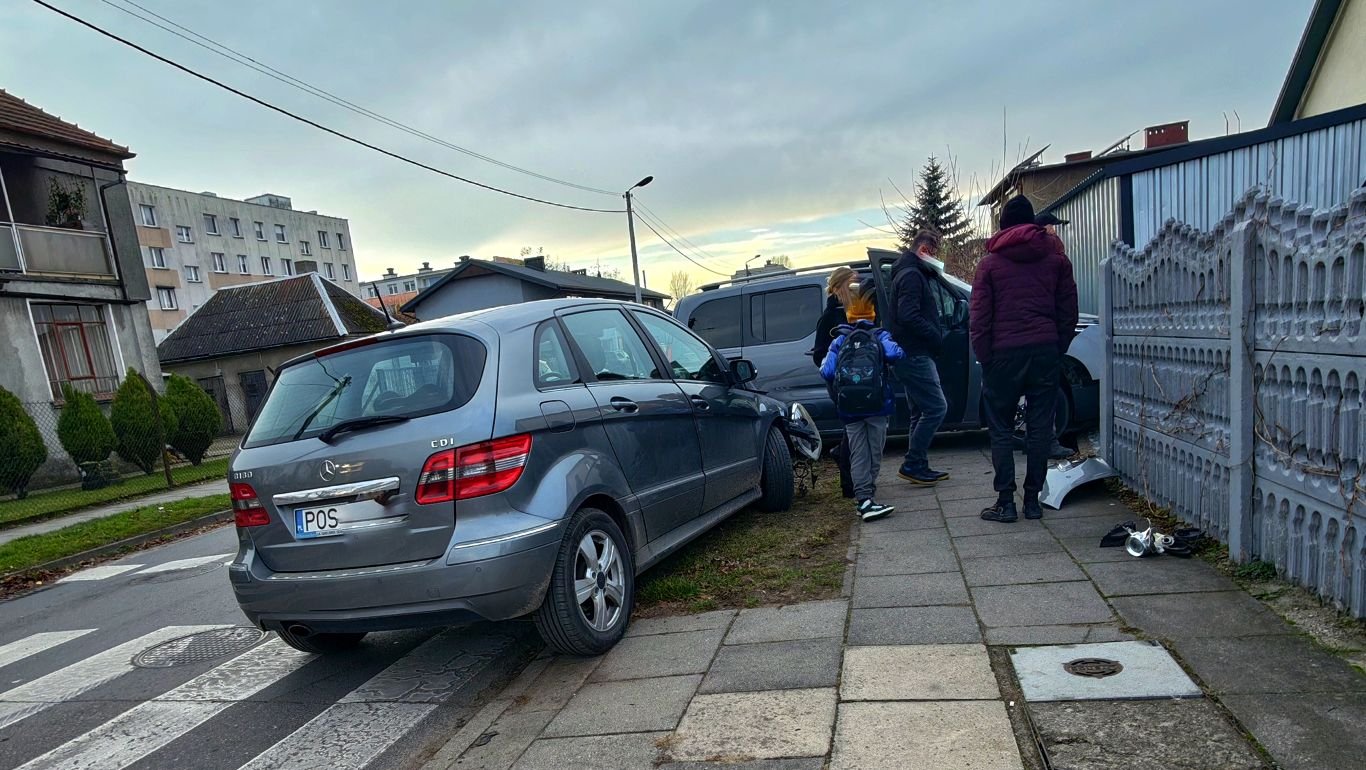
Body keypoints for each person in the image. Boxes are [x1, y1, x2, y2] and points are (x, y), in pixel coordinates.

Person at [972, 195, 1078, 522]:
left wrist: (985, 356)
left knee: (1001, 427)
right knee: (1040, 427)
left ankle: (1005, 502)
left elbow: (979, 318)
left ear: (1003, 225)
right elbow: (1068, 312)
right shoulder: (1057, 260)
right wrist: (1056, 346)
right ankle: (1032, 501)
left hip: (1003, 354)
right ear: (1033, 223)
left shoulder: (989, 265)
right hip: (1044, 349)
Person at [821, 282, 902, 521]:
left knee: (857, 452)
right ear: (873, 313)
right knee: (874, 450)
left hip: (849, 407)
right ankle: (868, 497)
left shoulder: (839, 341)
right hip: (877, 404)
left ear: (849, 314)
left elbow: (826, 371)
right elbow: (896, 354)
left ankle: (863, 498)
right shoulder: (880, 335)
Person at [887, 230, 950, 485]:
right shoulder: (912, 275)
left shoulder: (905, 272)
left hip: (908, 353)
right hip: (914, 353)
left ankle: (918, 465)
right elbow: (908, 315)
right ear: (924, 250)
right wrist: (934, 335)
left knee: (919, 412)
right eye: (934, 253)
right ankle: (913, 462)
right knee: (936, 408)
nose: (936, 259)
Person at [1035, 213, 1078, 462]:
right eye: (1053, 227)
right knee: (1045, 395)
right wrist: (1063, 339)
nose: (1056, 231)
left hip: (1012, 343)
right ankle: (1047, 442)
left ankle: (1034, 441)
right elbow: (1067, 303)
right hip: (1046, 338)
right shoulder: (1056, 257)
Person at [814, 266, 857, 497]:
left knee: (854, 428)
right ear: (839, 287)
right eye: (851, 284)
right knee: (852, 427)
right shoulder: (830, 317)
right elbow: (818, 355)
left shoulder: (857, 310)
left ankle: (843, 456)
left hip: (859, 380)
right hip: (840, 382)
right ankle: (848, 483)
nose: (856, 287)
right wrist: (835, 369)